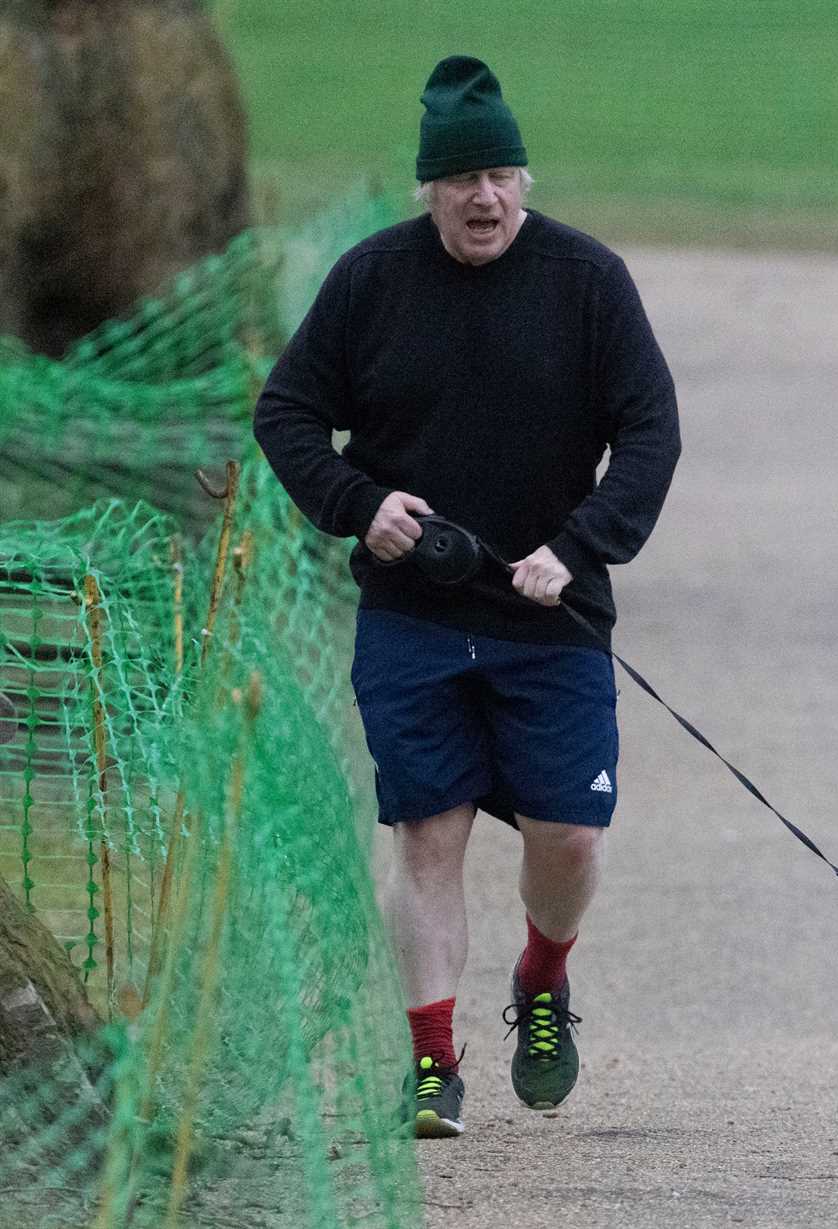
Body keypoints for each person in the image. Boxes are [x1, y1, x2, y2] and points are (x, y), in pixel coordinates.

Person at [253, 55, 680, 1139]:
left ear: (524, 179)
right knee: (427, 836)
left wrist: (575, 547)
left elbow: (649, 432)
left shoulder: (586, 283)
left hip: (552, 620)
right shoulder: (371, 282)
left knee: (569, 837)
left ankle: (543, 977)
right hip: (413, 617)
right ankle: (431, 1062)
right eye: (459, 180)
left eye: (499, 174)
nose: (482, 198)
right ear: (427, 190)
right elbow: (288, 414)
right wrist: (360, 505)